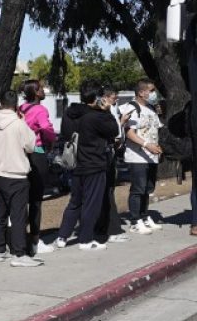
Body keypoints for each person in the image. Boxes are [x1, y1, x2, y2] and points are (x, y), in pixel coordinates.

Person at [55, 81, 120, 250]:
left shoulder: (69, 113)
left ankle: (62, 236)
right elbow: (114, 130)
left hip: (75, 163)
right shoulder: (96, 116)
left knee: (75, 201)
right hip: (94, 163)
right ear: (97, 97)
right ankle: (85, 239)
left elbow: (65, 135)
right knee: (91, 203)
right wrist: (107, 112)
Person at [0, 91, 40, 266]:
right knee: (18, 215)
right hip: (16, 175)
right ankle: (18, 253)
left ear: (0, 103)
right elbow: (30, 146)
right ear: (15, 104)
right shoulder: (19, 124)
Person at [17, 80, 58, 254]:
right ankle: (35, 240)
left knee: (21, 199)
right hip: (37, 152)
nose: (44, 90)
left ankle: (17, 238)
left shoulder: (21, 109)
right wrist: (51, 140)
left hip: (20, 154)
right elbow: (46, 128)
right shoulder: (40, 110)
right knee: (36, 200)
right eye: (41, 88)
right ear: (35, 92)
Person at [119, 78, 163, 233]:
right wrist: (146, 145)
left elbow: (156, 129)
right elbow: (129, 132)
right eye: (151, 90)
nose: (153, 93)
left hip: (152, 156)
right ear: (141, 92)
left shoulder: (151, 108)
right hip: (137, 156)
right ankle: (135, 220)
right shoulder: (131, 108)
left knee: (148, 188)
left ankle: (144, 216)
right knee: (138, 188)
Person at [95, 85, 129, 244]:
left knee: (107, 191)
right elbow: (112, 131)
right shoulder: (103, 111)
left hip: (112, 153)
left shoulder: (114, 110)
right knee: (106, 192)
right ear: (106, 97)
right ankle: (112, 229)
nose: (117, 100)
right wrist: (119, 124)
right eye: (114, 97)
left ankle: (104, 226)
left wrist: (121, 123)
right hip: (104, 155)